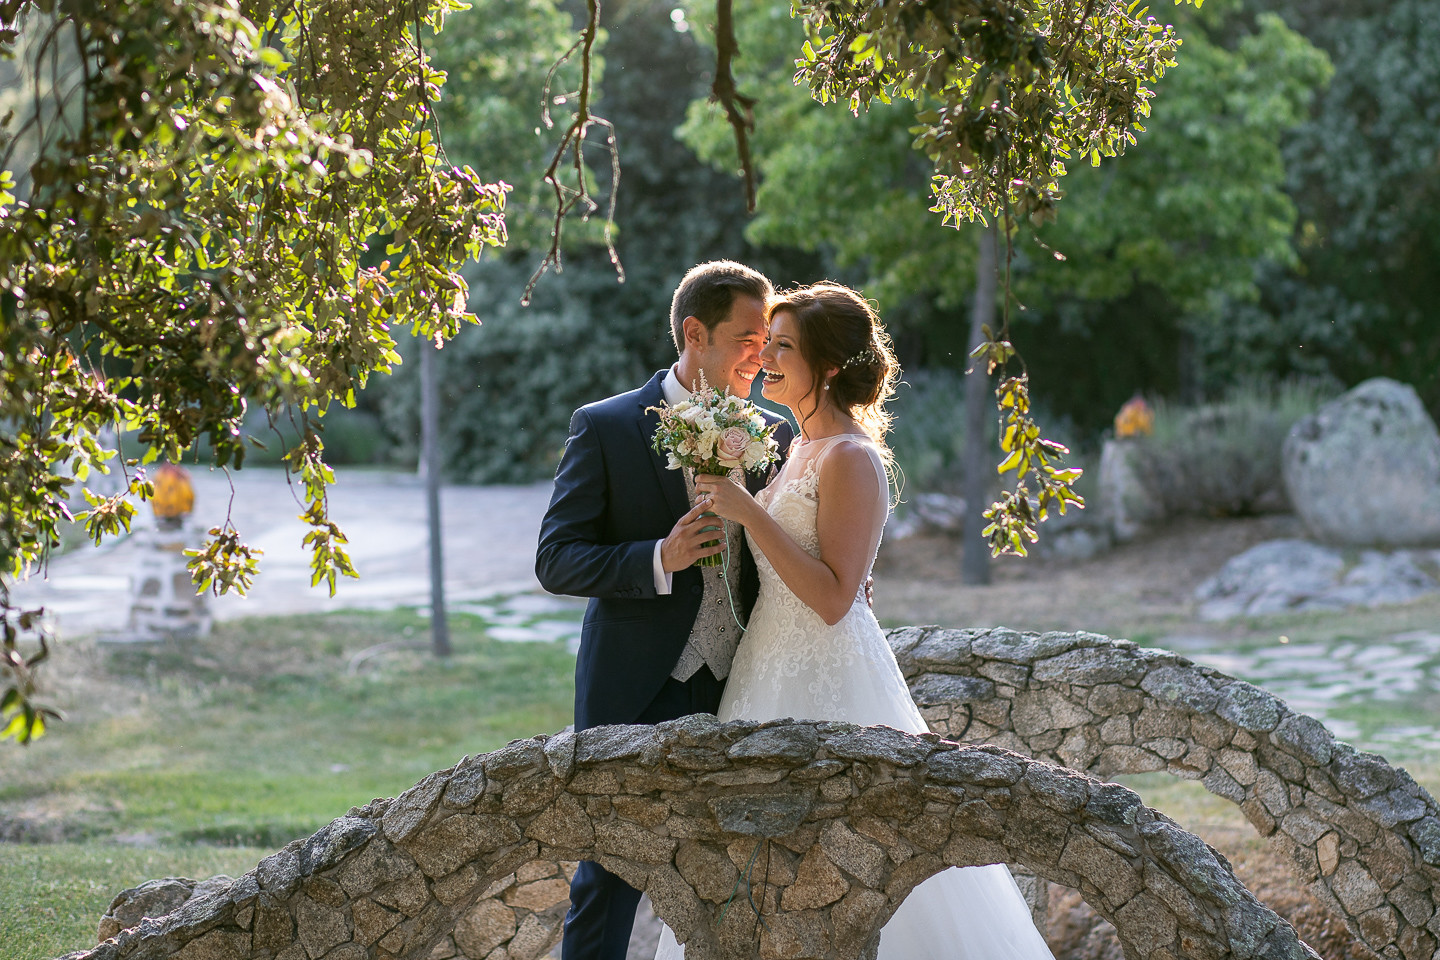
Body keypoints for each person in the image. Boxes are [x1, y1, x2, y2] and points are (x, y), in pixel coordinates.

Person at [653, 283, 1056, 960]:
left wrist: (747, 511)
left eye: (783, 346)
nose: (766, 358)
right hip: (763, 673)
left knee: (853, 857)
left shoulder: (853, 458)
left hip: (831, 680)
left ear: (830, 367)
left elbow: (837, 599)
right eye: (765, 343)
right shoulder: (789, 450)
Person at [536, 260, 795, 960]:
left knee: (735, 876)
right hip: (633, 683)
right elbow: (556, 558)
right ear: (694, 334)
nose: (762, 354)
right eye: (747, 336)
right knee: (609, 876)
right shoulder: (607, 426)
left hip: (742, 681)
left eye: (768, 338)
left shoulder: (777, 435)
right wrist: (658, 558)